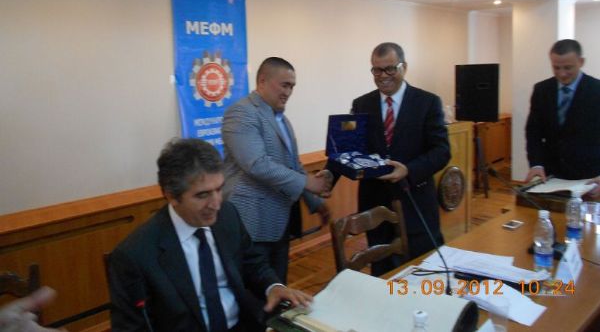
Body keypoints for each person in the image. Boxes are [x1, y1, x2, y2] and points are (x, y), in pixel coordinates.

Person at [108, 138, 313, 332]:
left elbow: (252, 263)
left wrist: (273, 287)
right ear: (171, 196)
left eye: (219, 189)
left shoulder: (228, 215)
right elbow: (131, 328)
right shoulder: (135, 255)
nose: (216, 204)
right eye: (202, 195)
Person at [336, 42, 450, 276]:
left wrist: (409, 170)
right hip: (374, 204)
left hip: (415, 202)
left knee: (423, 272)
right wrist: (330, 173)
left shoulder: (428, 102)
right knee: (382, 274)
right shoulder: (361, 104)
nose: (383, 76)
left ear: (403, 67)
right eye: (377, 70)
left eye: (390, 69)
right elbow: (351, 150)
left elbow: (442, 151)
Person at [221, 57, 332, 283]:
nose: (288, 92)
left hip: (279, 223)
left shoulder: (283, 120)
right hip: (250, 224)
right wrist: (308, 183)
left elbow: (293, 166)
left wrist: (315, 202)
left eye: (292, 86)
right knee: (254, 293)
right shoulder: (241, 113)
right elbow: (256, 164)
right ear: (262, 81)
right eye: (284, 85)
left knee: (278, 287)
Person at [525, 39, 600, 198]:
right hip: (551, 176)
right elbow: (533, 132)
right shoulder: (541, 90)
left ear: (581, 62)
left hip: (590, 178)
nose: (562, 73)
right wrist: (536, 164)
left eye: (568, 67)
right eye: (556, 67)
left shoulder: (596, 90)